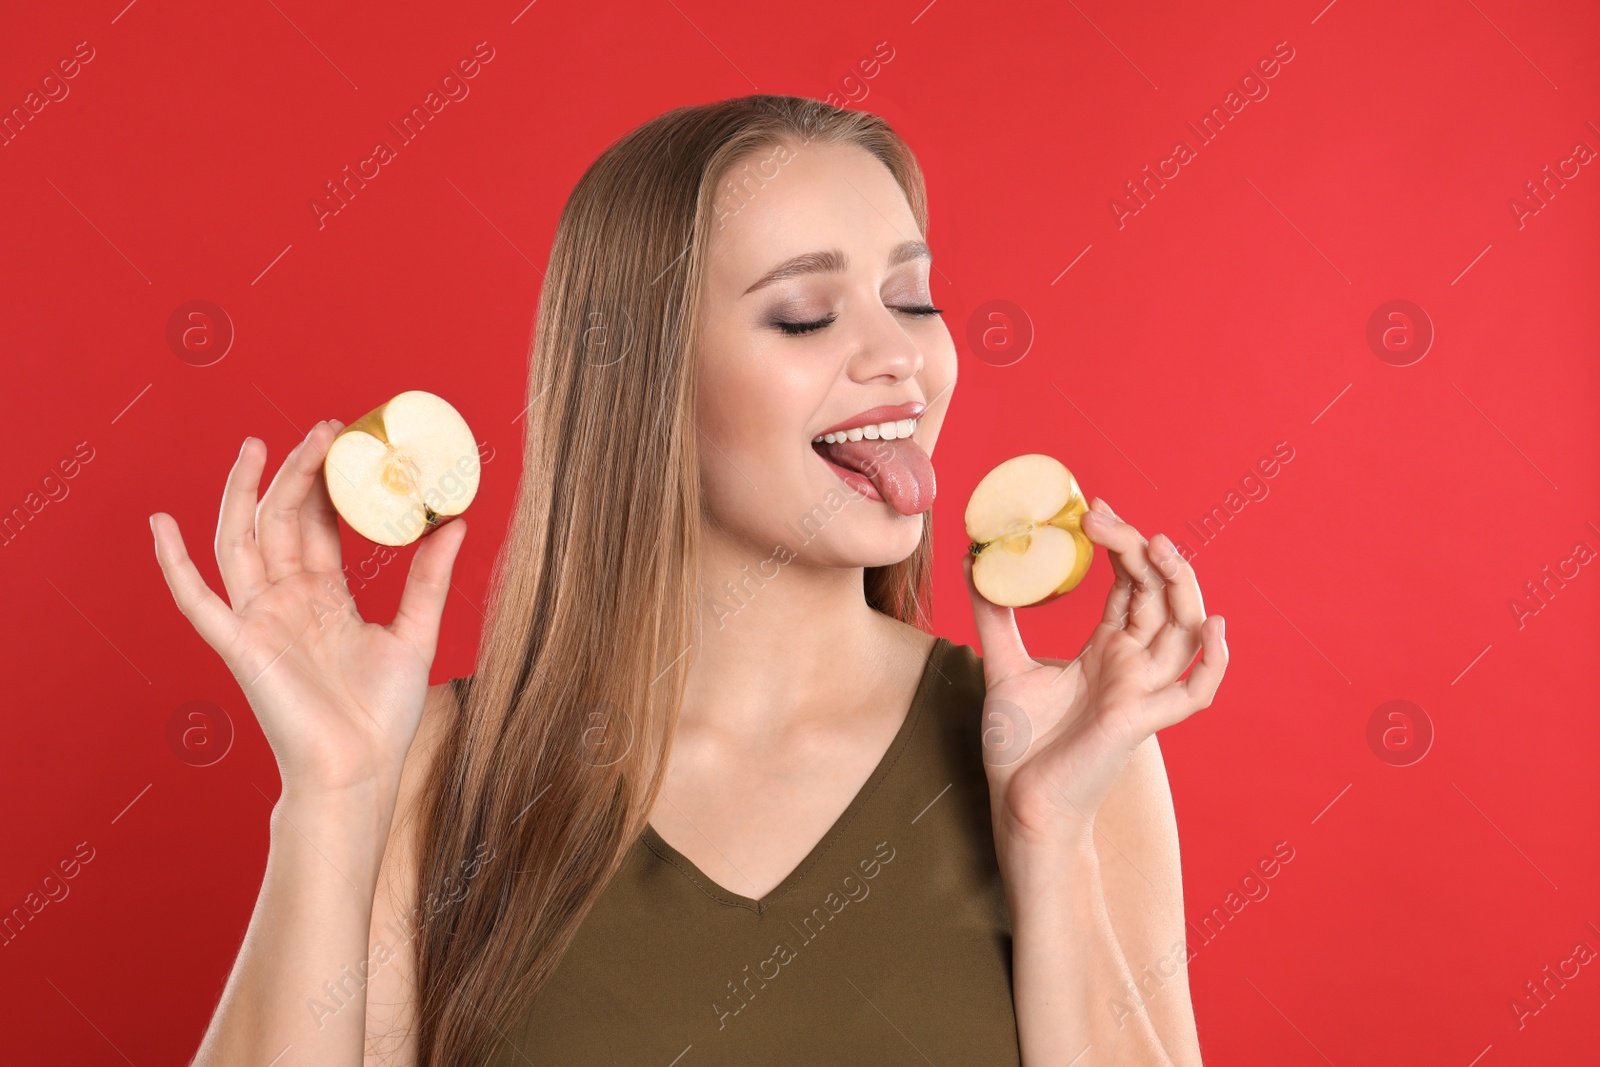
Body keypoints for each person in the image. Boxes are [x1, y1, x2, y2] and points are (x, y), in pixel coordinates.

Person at [149, 94, 1226, 1066]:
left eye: (911, 297)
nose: (899, 352)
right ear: (648, 381)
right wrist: (333, 792)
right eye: (806, 313)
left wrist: (1048, 835)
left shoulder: (1062, 751)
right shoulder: (433, 772)